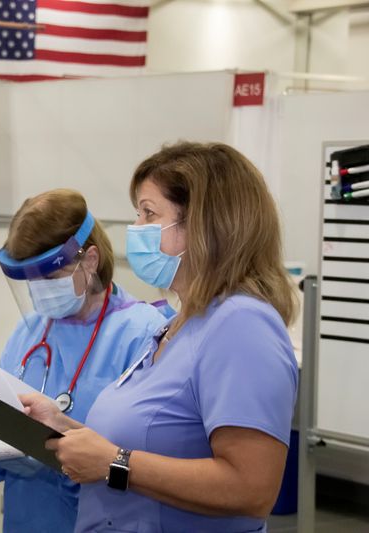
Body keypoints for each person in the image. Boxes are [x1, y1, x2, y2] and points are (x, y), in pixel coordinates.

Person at [21, 142, 299, 532]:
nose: (136, 229)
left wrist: (113, 463)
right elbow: (153, 441)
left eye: (149, 213)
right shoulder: (180, 323)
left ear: (204, 224)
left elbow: (251, 489)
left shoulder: (242, 324)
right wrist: (64, 429)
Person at [0, 189, 169, 533]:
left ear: (89, 260)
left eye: (49, 278)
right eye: (31, 281)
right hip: (29, 518)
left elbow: (152, 462)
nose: (39, 291)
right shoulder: (30, 330)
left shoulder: (143, 333)